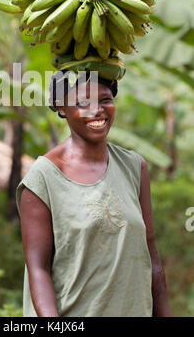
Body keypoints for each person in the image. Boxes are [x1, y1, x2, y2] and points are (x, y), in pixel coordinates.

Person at [16, 70, 172, 317]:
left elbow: (151, 256)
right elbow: (38, 269)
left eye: (105, 99)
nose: (97, 109)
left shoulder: (134, 166)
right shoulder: (43, 176)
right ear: (61, 107)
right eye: (82, 103)